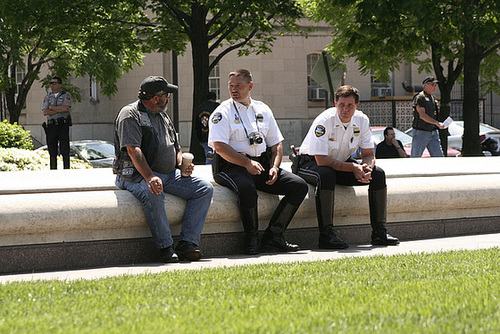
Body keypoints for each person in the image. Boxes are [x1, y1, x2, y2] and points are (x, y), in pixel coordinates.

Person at [113, 76, 214, 263]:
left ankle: (187, 244)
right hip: (136, 175)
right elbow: (133, 150)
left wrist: (182, 162)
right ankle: (166, 247)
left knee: (204, 189)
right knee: (153, 193)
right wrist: (150, 177)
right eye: (166, 95)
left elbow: (175, 146)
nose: (168, 98)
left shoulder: (163, 114)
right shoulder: (130, 114)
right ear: (155, 97)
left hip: (169, 174)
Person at [208, 69, 308, 255]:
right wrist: (246, 163)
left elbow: (276, 144)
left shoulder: (263, 109)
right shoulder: (222, 112)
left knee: (299, 186)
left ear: (250, 86)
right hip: (230, 166)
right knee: (247, 189)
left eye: (238, 85)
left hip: (260, 164)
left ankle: (274, 235)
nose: (234, 90)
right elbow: (220, 147)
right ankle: (251, 238)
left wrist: (275, 168)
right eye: (231, 86)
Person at [295, 85, 399, 249]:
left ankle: (379, 232)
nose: (345, 109)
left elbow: (368, 153)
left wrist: (367, 168)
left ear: (357, 106)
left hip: (339, 163)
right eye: (341, 104)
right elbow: (321, 160)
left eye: (350, 105)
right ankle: (326, 235)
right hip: (309, 163)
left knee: (378, 173)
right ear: (335, 103)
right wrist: (352, 168)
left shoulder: (362, 120)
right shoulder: (324, 121)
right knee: (326, 174)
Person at [410, 76, 445, 157]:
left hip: (433, 131)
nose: (435, 87)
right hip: (421, 132)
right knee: (415, 157)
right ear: (426, 85)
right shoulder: (420, 97)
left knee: (439, 157)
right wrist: (436, 123)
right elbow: (422, 115)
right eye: (433, 84)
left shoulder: (432, 97)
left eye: (436, 85)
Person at [42, 76, 72, 169]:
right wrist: (58, 109)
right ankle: (53, 170)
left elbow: (65, 108)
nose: (52, 85)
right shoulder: (48, 96)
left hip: (62, 125)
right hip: (51, 126)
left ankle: (66, 170)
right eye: (51, 83)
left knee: (65, 150)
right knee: (52, 151)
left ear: (59, 85)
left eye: (54, 83)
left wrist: (52, 108)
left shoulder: (65, 95)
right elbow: (45, 112)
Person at [195, 91, 219, 164]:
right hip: (216, 136)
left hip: (204, 136)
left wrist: (200, 138)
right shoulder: (217, 107)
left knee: (208, 157)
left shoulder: (200, 108)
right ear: (215, 98)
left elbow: (197, 125)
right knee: (217, 157)